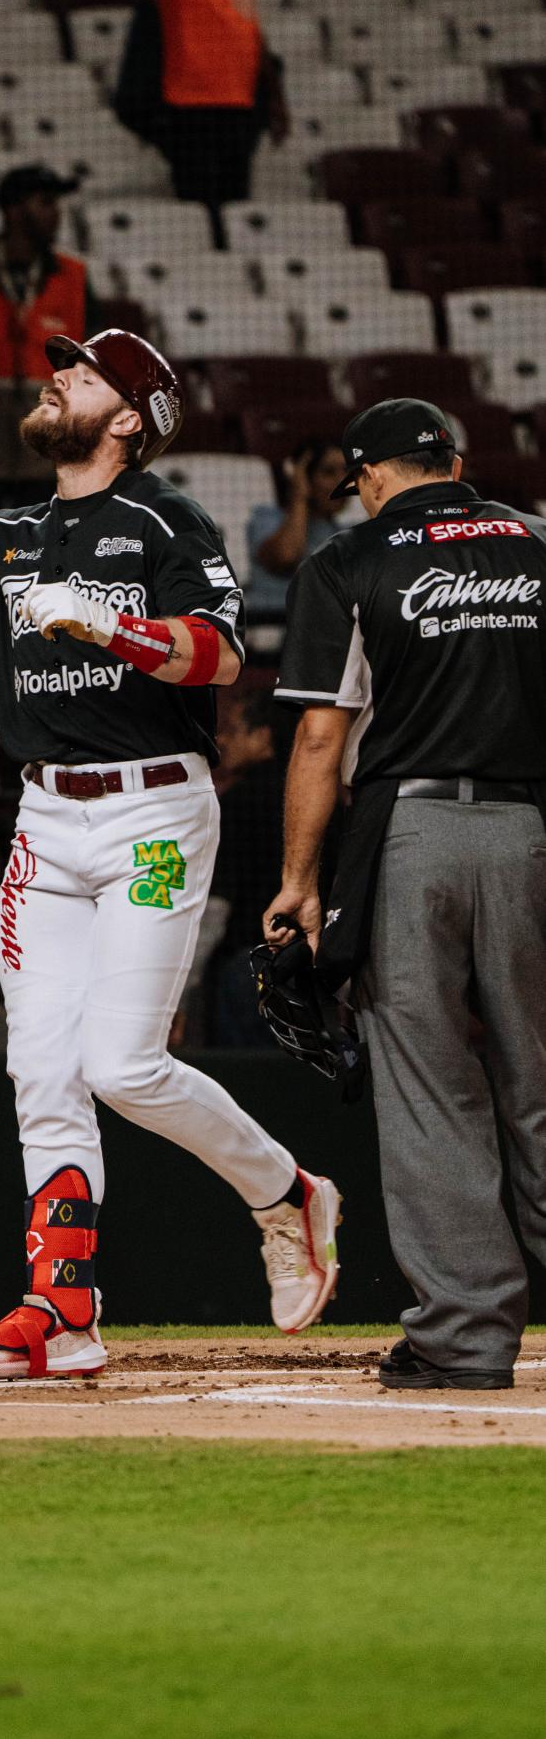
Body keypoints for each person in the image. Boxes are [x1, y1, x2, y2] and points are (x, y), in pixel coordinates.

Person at [0, 331, 342, 1378]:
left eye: (81, 376)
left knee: (122, 1066)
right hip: (46, 817)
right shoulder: (17, 531)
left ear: (128, 419)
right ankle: (61, 1310)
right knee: (40, 1069)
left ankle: (286, 1192)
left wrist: (108, 626)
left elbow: (220, 653)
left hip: (152, 814)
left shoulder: (164, 519)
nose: (56, 378)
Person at [265, 399, 546, 1393]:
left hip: (410, 836)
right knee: (540, 1083)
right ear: (453, 463)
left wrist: (300, 881)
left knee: (430, 1092)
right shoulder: (538, 543)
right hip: (532, 830)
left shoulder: (345, 560)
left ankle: (463, 1338)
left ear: (371, 477)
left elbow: (318, 736)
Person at [0, 163, 104, 710]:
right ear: (11, 210)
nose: (54, 214)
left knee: (45, 568)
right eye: (43, 202)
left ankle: (41, 680)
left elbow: (95, 367)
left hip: (46, 445)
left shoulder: (74, 276)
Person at [136, 0, 287, 211]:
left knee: (236, 207)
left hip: (239, 105)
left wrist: (276, 99)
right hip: (190, 107)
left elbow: (249, 28)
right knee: (199, 207)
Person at [208, 685, 281, 1045]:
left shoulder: (239, 801)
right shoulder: (324, 799)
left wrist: (189, 981)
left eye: (234, 729)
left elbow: (218, 901)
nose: (222, 739)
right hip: (314, 961)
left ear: (263, 736)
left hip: (247, 963)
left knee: (242, 1071)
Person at [244, 440, 350, 618]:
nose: (342, 481)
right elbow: (286, 556)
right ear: (303, 477)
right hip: (272, 625)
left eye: (346, 471)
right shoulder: (266, 519)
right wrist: (299, 496)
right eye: (328, 472)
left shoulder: (345, 533)